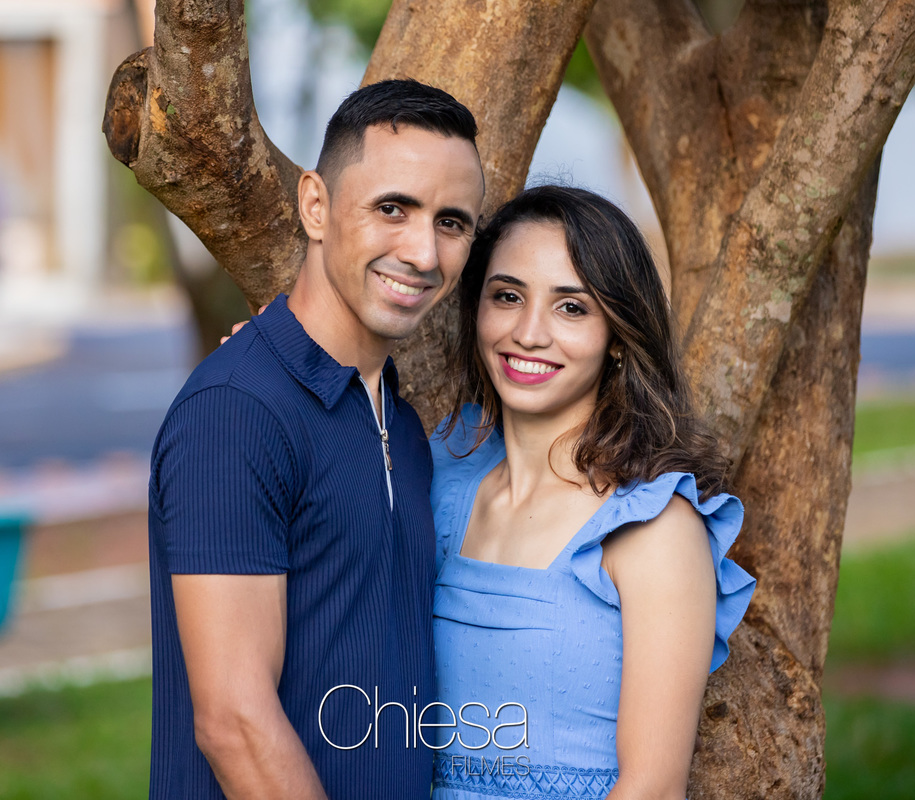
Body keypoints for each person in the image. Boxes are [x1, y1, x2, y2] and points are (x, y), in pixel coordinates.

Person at [146, 79, 485, 800]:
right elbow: (234, 723)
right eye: (392, 208)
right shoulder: (237, 412)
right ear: (315, 206)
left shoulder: (398, 423)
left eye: (451, 222)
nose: (423, 251)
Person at [426, 185, 756, 798]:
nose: (529, 333)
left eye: (571, 308)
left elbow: (652, 788)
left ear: (619, 335)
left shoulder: (652, 527)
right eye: (508, 296)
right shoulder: (442, 478)